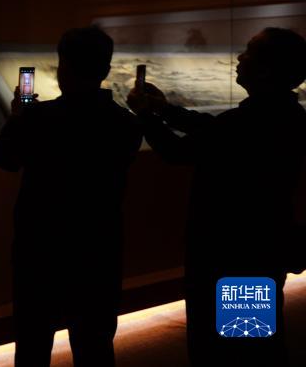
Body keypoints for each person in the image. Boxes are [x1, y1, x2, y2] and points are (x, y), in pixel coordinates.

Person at [127, 27, 306, 367]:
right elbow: (214, 129)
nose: (239, 57)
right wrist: (165, 109)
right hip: (260, 250)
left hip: (229, 254)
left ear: (266, 70)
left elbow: (178, 151)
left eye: (249, 51)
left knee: (228, 349)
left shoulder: (247, 123)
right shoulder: (287, 115)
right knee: (253, 341)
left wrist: (147, 115)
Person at [0, 26, 142, 367]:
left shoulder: (38, 118)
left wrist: (17, 118)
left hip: (40, 249)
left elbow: (5, 160)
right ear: (105, 68)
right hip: (98, 248)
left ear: (63, 68)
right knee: (95, 344)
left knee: (33, 344)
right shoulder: (126, 123)